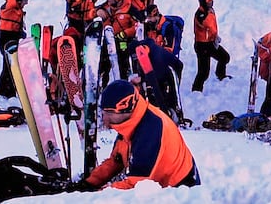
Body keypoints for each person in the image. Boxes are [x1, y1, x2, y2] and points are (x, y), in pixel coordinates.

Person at [67, 80, 199, 191]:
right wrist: (90, 183)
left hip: (182, 191)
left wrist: (99, 194)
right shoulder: (132, 121)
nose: (104, 118)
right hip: (160, 186)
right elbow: (116, 161)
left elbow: (135, 184)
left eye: (109, 113)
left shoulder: (150, 131)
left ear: (126, 108)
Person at [128, 34, 185, 120]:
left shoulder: (155, 56)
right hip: (161, 70)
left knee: (169, 95)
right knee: (158, 92)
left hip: (171, 70)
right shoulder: (145, 49)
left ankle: (173, 114)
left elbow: (154, 81)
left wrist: (142, 79)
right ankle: (165, 112)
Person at [191, 0, 230, 92]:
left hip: (210, 43)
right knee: (203, 72)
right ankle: (196, 90)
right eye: (209, 1)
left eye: (212, 0)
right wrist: (214, 36)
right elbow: (207, 24)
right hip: (202, 45)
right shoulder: (201, 14)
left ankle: (220, 75)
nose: (211, 2)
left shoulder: (209, 11)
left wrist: (215, 37)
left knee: (224, 57)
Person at [0, 0, 31, 98]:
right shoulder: (9, 6)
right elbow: (11, 3)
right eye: (25, 1)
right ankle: (3, 93)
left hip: (13, 37)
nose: (26, 3)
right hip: (6, 38)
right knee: (8, 66)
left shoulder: (16, 8)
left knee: (13, 65)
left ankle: (11, 92)